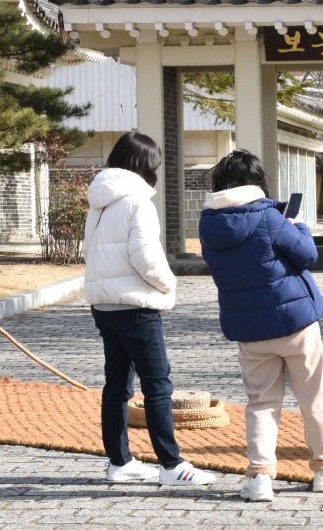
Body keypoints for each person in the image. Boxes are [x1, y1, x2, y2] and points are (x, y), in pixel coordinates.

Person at [198, 149, 323, 503]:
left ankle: (260, 477)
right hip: (295, 324)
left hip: (248, 328)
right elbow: (308, 255)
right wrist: (298, 223)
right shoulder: (270, 217)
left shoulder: (208, 224)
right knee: (313, 397)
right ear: (257, 181)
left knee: (261, 402)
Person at [83, 131, 215, 487]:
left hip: (105, 305)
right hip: (137, 307)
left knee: (117, 386)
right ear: (144, 165)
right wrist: (169, 284)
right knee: (158, 386)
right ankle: (171, 465)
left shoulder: (100, 200)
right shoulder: (137, 201)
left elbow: (90, 253)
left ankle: (120, 462)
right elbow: (146, 257)